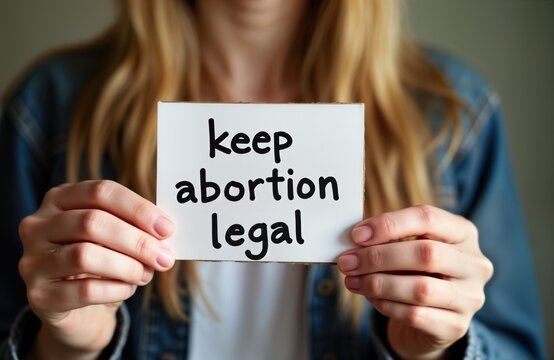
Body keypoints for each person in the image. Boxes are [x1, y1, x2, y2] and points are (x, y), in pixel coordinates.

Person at [0, 0, 545, 359]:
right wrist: (67, 347)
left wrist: (438, 349)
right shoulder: (50, 108)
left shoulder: (454, 114)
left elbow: (518, 347)